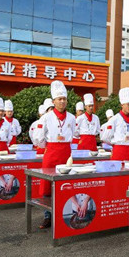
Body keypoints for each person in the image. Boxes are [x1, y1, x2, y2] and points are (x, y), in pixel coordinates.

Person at [33, 81, 76, 229]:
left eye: (64, 99)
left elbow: (73, 134)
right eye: (59, 99)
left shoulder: (71, 118)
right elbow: (38, 137)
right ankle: (47, 216)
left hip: (66, 153)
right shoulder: (46, 117)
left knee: (65, 184)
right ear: (54, 101)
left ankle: (63, 214)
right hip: (51, 152)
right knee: (47, 185)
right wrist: (47, 146)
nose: (62, 101)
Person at [101, 88, 129, 161]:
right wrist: (116, 142)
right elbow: (105, 138)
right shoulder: (114, 119)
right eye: (128, 104)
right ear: (122, 105)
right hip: (118, 151)